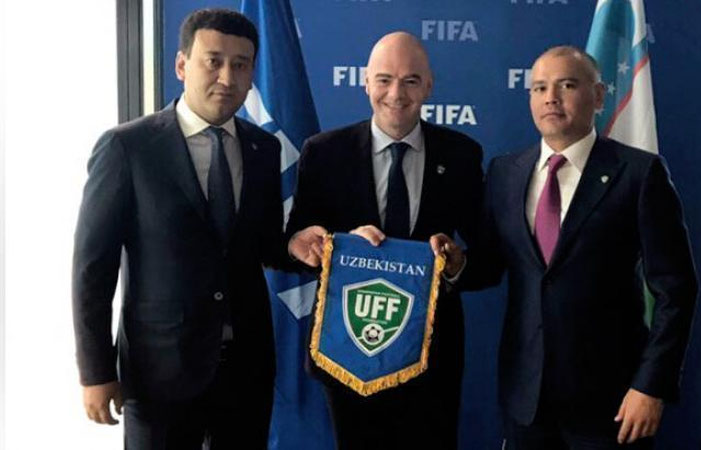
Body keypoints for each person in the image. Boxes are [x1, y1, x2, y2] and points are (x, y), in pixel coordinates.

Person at [72, 8, 285, 449]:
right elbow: (93, 267)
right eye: (214, 61)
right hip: (158, 375)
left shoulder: (263, 149)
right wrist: (95, 372)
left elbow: (264, 245)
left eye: (240, 64)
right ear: (182, 65)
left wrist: (306, 246)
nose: (227, 77)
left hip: (246, 371)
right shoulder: (127, 148)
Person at [480, 46, 698, 449]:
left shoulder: (638, 173)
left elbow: (677, 290)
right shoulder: (504, 173)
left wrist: (650, 386)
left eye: (566, 85)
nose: (550, 98)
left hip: (612, 403)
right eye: (539, 88)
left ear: (598, 96)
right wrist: (451, 261)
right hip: (527, 401)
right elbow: (488, 266)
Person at [286, 31, 484, 450]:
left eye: (411, 81)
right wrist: (333, 246)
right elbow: (296, 242)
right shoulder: (323, 152)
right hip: (348, 350)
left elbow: (492, 257)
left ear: (428, 86)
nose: (396, 93)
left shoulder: (461, 155)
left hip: (431, 358)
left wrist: (457, 264)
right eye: (384, 79)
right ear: (365, 83)